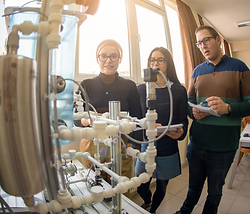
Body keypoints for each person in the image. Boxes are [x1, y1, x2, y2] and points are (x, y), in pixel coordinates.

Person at [174, 26, 250, 214]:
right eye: (198, 43)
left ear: (218, 40)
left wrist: (228, 108)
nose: (202, 46)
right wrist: (193, 112)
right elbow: (189, 102)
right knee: (193, 187)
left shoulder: (239, 67)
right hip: (197, 144)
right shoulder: (196, 71)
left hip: (224, 147)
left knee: (214, 193)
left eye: (206, 40)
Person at [77, 39, 142, 195]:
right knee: (93, 190)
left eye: (114, 56)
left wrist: (134, 146)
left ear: (120, 59)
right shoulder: (86, 85)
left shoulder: (129, 86)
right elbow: (75, 118)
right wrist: (86, 120)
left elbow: (137, 118)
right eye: (103, 56)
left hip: (120, 145)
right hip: (91, 145)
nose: (108, 60)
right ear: (97, 58)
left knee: (122, 192)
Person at [135, 47, 188, 213]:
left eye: (160, 60)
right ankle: (147, 199)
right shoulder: (141, 89)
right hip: (147, 145)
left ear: (168, 63)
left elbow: (182, 120)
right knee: (140, 185)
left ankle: (152, 210)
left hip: (168, 146)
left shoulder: (178, 90)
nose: (155, 63)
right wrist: (145, 127)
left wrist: (181, 133)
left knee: (162, 186)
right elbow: (135, 119)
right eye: (152, 60)